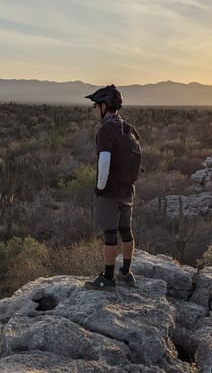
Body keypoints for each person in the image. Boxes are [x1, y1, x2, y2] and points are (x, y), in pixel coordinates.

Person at [83, 84, 140, 292]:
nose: (93, 109)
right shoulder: (128, 128)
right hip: (127, 190)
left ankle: (108, 279)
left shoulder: (106, 130)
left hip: (110, 191)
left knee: (109, 234)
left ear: (104, 106)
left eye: (95, 105)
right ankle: (126, 273)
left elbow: (104, 161)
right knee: (126, 231)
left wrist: (100, 187)